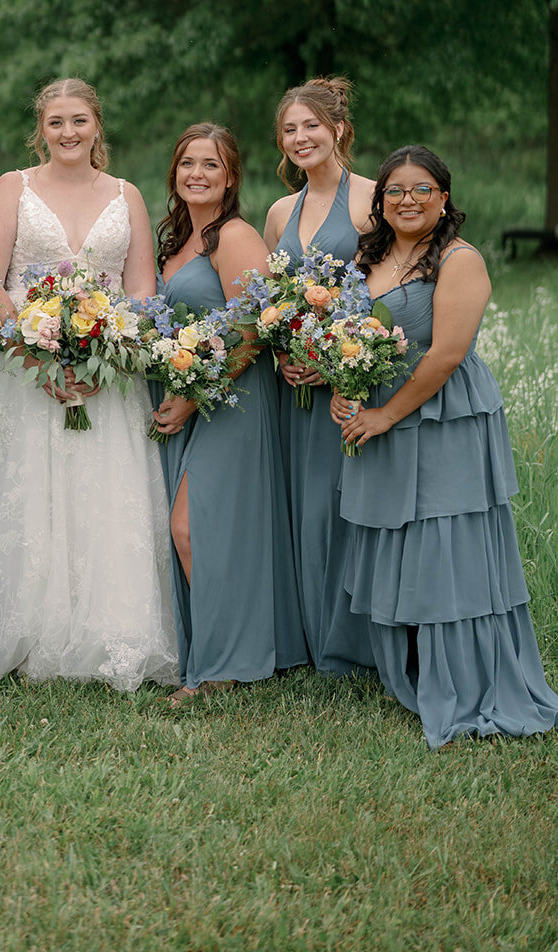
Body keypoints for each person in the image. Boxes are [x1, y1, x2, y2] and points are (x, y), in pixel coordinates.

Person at [332, 146, 558, 749]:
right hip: (379, 407)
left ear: (444, 198)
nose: (408, 200)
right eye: (396, 190)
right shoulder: (369, 253)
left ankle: (464, 677)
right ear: (379, 201)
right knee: (397, 534)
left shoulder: (461, 260)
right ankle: (406, 666)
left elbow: (446, 355)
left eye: (422, 189)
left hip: (443, 415)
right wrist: (347, 392)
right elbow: (354, 335)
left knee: (445, 541)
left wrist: (384, 416)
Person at [0, 78, 178, 690]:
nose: (68, 133)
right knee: (29, 492)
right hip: (23, 372)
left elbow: (140, 291)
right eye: (57, 122)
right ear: (41, 129)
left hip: (105, 377)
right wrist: (40, 355)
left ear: (97, 127)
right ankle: (31, 629)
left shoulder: (126, 194)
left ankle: (110, 631)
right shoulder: (13, 187)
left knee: (102, 492)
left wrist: (104, 350)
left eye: (79, 120)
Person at [152, 124, 306, 699]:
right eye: (187, 162)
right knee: (207, 531)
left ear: (231, 176)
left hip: (232, 399)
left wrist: (195, 393)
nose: (197, 173)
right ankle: (224, 652)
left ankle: (222, 665)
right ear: (174, 173)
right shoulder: (176, 240)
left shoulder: (235, 237)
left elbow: (254, 331)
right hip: (186, 395)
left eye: (211, 165)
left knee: (193, 528)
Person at [263, 76, 375, 675]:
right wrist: (285, 351)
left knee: (344, 505)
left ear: (338, 130)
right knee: (302, 506)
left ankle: (354, 644)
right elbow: (269, 301)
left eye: (311, 126)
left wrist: (339, 361)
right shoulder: (281, 211)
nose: (301, 138)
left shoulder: (372, 198)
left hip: (349, 384)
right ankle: (308, 635)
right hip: (297, 388)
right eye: (289, 129)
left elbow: (391, 289)